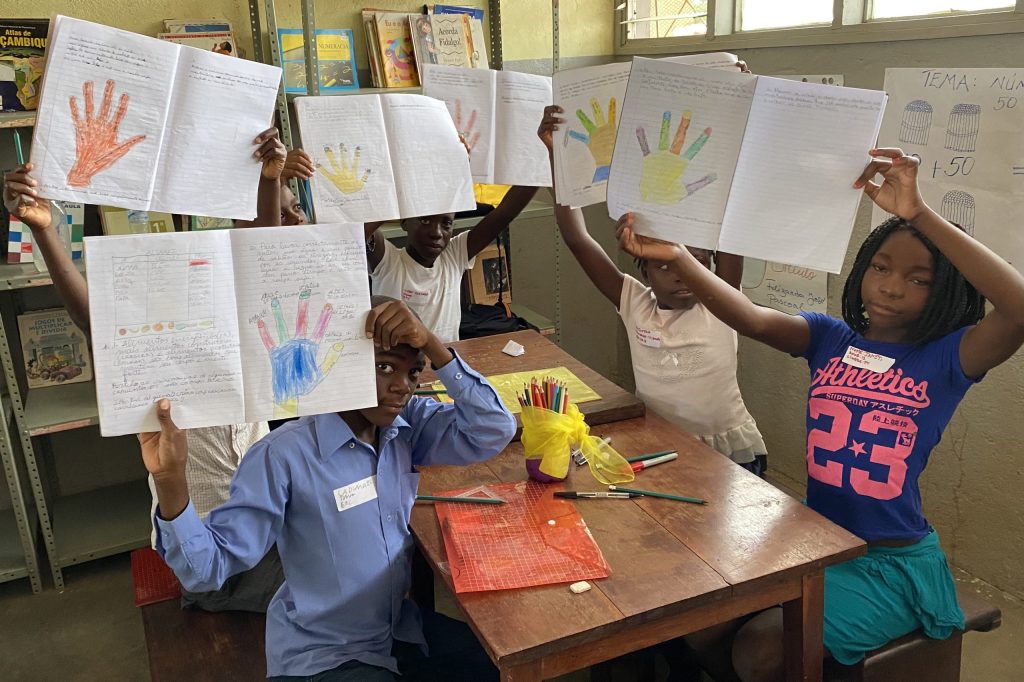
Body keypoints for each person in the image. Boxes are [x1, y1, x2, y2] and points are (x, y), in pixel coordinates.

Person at [614, 148, 1024, 679]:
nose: (892, 285)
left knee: (761, 647)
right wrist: (678, 256)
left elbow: (1017, 309)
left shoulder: (947, 360)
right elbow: (751, 318)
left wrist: (918, 213)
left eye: (918, 278)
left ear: (942, 290)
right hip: (815, 536)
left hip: (889, 561)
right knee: (702, 623)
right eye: (880, 267)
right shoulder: (829, 338)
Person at [142, 297, 516, 680]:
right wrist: (170, 481)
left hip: (394, 630)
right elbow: (205, 570)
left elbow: (494, 429)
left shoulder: (406, 426)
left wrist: (433, 344)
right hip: (325, 656)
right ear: (343, 363)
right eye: (384, 368)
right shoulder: (283, 455)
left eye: (414, 373)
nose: (401, 387)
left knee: (495, 664)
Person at [2, 127, 291, 612]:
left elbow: (261, 259)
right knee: (319, 592)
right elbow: (91, 318)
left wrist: (267, 182)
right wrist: (44, 229)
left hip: (264, 526)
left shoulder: (247, 331)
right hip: (207, 547)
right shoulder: (159, 356)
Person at [537, 106, 767, 476]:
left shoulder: (721, 304)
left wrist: (732, 116)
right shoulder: (633, 302)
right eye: (665, 265)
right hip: (659, 445)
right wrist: (556, 155)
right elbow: (577, 238)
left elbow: (729, 226)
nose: (681, 275)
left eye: (694, 263)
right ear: (641, 265)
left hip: (730, 454)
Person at [365, 181, 538, 343]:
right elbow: (360, 228)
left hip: (445, 365)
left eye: (446, 223)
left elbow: (504, 214)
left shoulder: (454, 256)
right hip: (397, 368)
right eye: (425, 220)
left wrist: (543, 164)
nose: (437, 233)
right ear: (404, 221)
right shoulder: (388, 260)